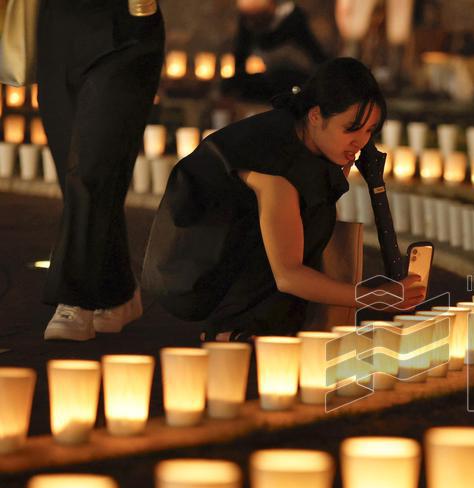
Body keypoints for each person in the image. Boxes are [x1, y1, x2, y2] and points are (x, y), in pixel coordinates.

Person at [141, 58, 425, 341]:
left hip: (235, 252)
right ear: (315, 116)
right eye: (351, 128)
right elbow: (289, 274)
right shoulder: (276, 166)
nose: (360, 142)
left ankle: (259, 327)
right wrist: (376, 297)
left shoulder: (309, 137)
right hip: (198, 270)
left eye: (369, 131)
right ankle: (231, 330)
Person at [38, 0, 165, 340]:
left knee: (89, 168)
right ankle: (118, 292)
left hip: (125, 31)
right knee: (79, 176)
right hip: (55, 31)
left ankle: (74, 299)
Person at [223, 0, 329, 103]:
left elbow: (316, 54)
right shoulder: (248, 20)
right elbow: (240, 56)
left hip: (296, 79)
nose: (253, 23)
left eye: (258, 18)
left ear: (271, 7)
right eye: (250, 19)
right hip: (269, 78)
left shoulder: (293, 17)